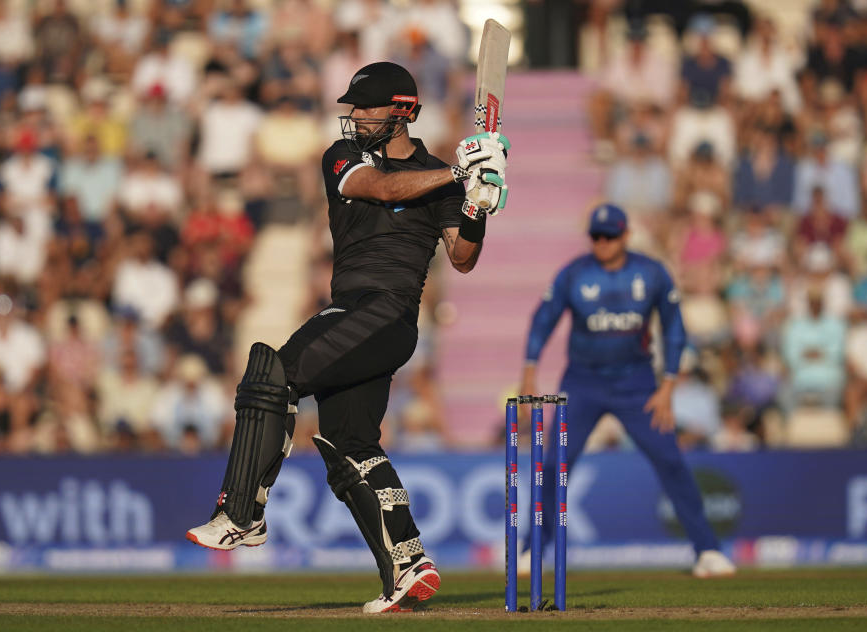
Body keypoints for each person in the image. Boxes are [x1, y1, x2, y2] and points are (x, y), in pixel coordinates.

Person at [185, 62, 508, 612]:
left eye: (364, 108)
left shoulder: (438, 176)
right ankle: (408, 565)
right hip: (355, 311)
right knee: (348, 442)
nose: (353, 117)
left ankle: (241, 514)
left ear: (401, 111)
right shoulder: (347, 158)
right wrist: (459, 174)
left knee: (273, 370)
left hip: (388, 314)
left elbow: (463, 256)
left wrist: (478, 204)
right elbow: (378, 188)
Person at [520, 204, 735, 578]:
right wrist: (529, 370)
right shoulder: (575, 273)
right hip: (583, 383)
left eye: (609, 236)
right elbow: (543, 318)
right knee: (554, 467)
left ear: (626, 236)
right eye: (596, 236)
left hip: (637, 386)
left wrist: (668, 385)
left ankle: (707, 551)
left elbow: (674, 328)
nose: (602, 243)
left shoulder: (650, 274)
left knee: (670, 462)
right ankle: (532, 551)